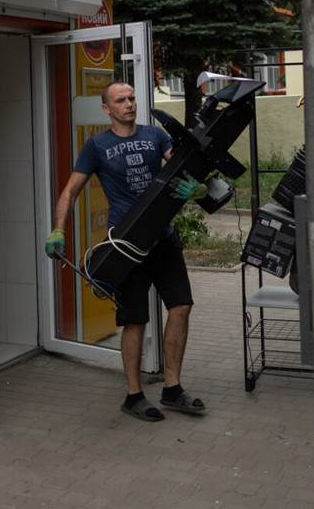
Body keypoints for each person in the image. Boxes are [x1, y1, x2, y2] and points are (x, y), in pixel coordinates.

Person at [44, 81, 208, 422]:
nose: (129, 104)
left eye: (132, 98)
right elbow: (70, 191)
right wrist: (58, 229)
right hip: (127, 245)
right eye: (120, 100)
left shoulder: (155, 135)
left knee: (181, 306)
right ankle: (134, 396)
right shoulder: (96, 145)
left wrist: (197, 186)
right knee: (135, 319)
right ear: (107, 109)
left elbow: (178, 167)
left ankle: (172, 388)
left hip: (163, 237)